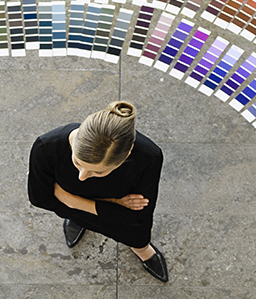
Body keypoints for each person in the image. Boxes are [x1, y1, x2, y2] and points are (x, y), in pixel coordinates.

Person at [27, 101, 168, 282]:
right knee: (78, 216)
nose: (82, 177)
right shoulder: (46, 146)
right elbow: (39, 198)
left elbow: (138, 218)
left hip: (74, 206)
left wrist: (69, 199)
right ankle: (80, 221)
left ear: (125, 157)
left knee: (138, 236)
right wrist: (114, 203)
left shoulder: (148, 157)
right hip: (83, 209)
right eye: (77, 162)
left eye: (98, 171)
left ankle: (141, 249)